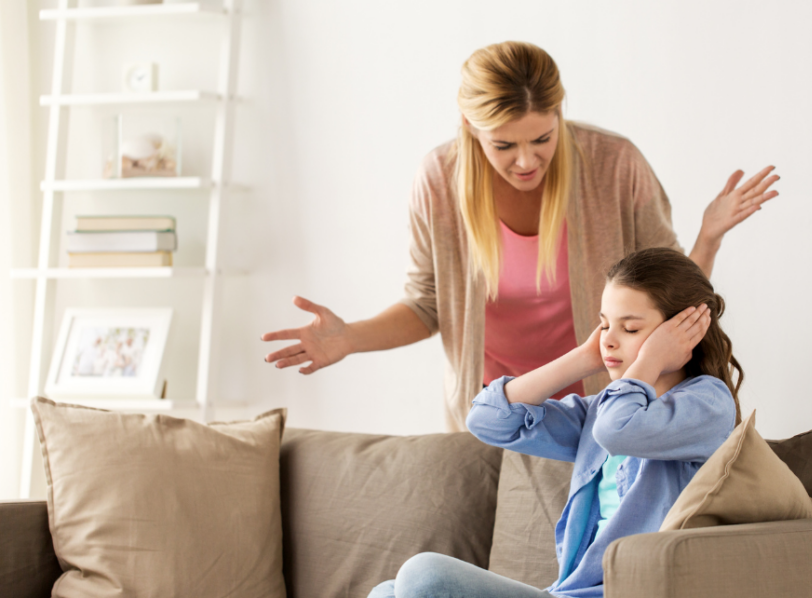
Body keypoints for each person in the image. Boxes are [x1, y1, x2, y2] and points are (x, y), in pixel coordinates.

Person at [261, 41, 776, 430]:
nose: (527, 160)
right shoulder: (439, 179)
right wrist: (349, 337)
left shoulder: (614, 165)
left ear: (559, 113)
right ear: (469, 125)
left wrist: (708, 238)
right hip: (499, 408)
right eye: (504, 145)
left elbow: (675, 301)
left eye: (543, 138)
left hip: (605, 405)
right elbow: (426, 306)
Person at [363, 247, 743, 598]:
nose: (609, 341)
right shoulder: (599, 411)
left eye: (630, 329)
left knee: (423, 578)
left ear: (682, 333)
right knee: (384, 595)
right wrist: (582, 358)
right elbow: (488, 421)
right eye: (603, 326)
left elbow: (619, 431)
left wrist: (647, 361)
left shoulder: (707, 404)